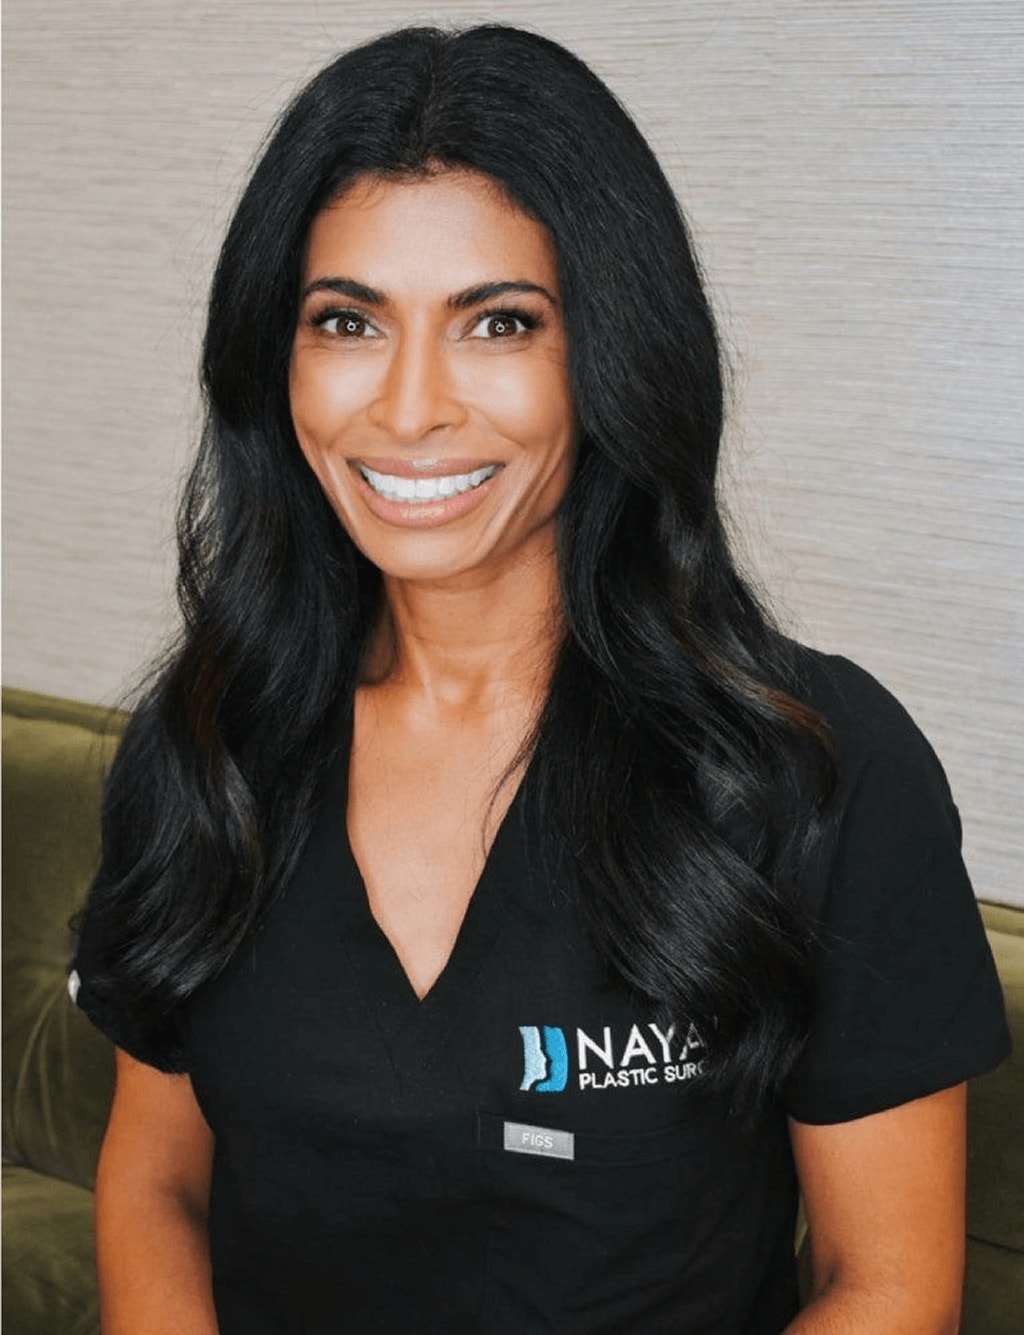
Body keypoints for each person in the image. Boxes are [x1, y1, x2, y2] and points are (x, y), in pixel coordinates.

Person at [69, 23, 1009, 1335]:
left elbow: (891, 1291)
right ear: (273, 359)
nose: (407, 409)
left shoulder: (818, 768)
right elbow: (159, 1180)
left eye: (498, 323)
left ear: (613, 349)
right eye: (347, 320)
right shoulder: (211, 740)